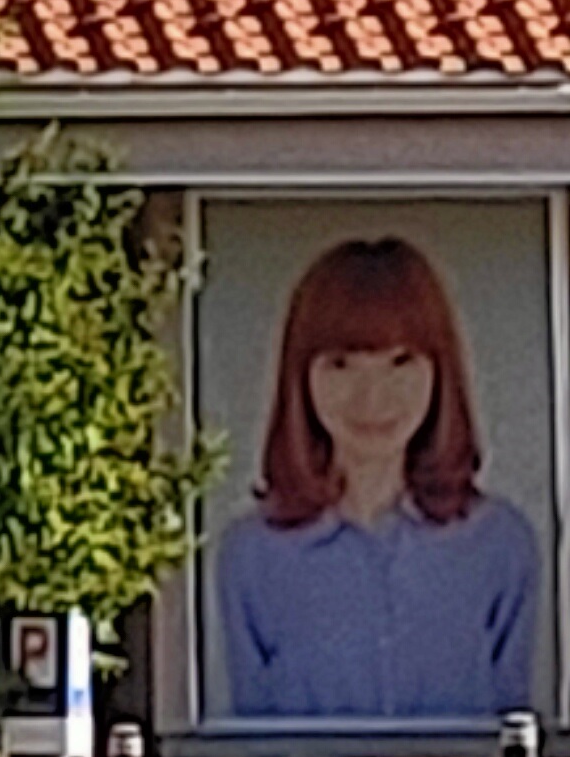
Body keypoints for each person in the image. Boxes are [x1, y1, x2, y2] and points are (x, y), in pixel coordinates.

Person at [215, 234, 541, 723]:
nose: (372, 397)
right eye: (341, 365)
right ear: (300, 376)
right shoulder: (251, 554)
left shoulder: (500, 544)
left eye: (400, 362)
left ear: (440, 371)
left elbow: (515, 740)